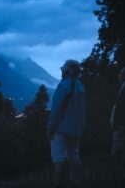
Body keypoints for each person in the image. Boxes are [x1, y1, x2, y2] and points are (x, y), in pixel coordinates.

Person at [47, 60, 86, 188]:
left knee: (58, 156)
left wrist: (51, 127)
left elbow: (56, 109)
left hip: (61, 127)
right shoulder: (81, 87)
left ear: (68, 70)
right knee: (74, 153)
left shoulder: (63, 86)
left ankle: (57, 183)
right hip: (76, 129)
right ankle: (77, 182)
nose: (61, 70)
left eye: (62, 68)